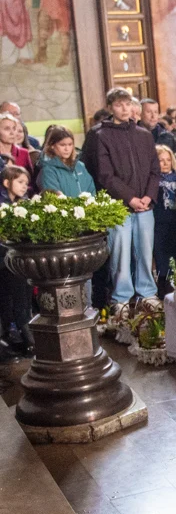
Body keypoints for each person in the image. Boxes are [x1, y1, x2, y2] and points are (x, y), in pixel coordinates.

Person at [80, 88, 160, 309]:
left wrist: (148, 197)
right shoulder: (100, 135)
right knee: (120, 254)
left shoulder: (144, 134)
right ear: (110, 107)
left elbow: (155, 169)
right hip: (119, 206)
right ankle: (121, 298)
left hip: (145, 205)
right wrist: (130, 198)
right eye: (119, 104)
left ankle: (147, 293)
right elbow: (105, 175)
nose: (124, 108)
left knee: (145, 251)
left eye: (127, 104)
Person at [0, 165, 34, 356]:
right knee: (9, 299)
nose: (24, 187)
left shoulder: (24, 204)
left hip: (18, 260)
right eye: (20, 182)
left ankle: (24, 332)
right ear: (7, 182)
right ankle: (14, 333)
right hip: (4, 260)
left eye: (26, 183)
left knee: (22, 297)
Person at [152, 144, 176, 294]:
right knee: (162, 258)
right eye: (161, 160)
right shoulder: (152, 182)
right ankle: (163, 288)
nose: (165, 163)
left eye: (168, 159)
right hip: (159, 224)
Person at [37, 126, 95, 197]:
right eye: (62, 145)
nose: (67, 149)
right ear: (52, 145)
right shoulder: (48, 171)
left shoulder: (80, 166)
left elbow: (92, 190)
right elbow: (54, 199)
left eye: (70, 144)